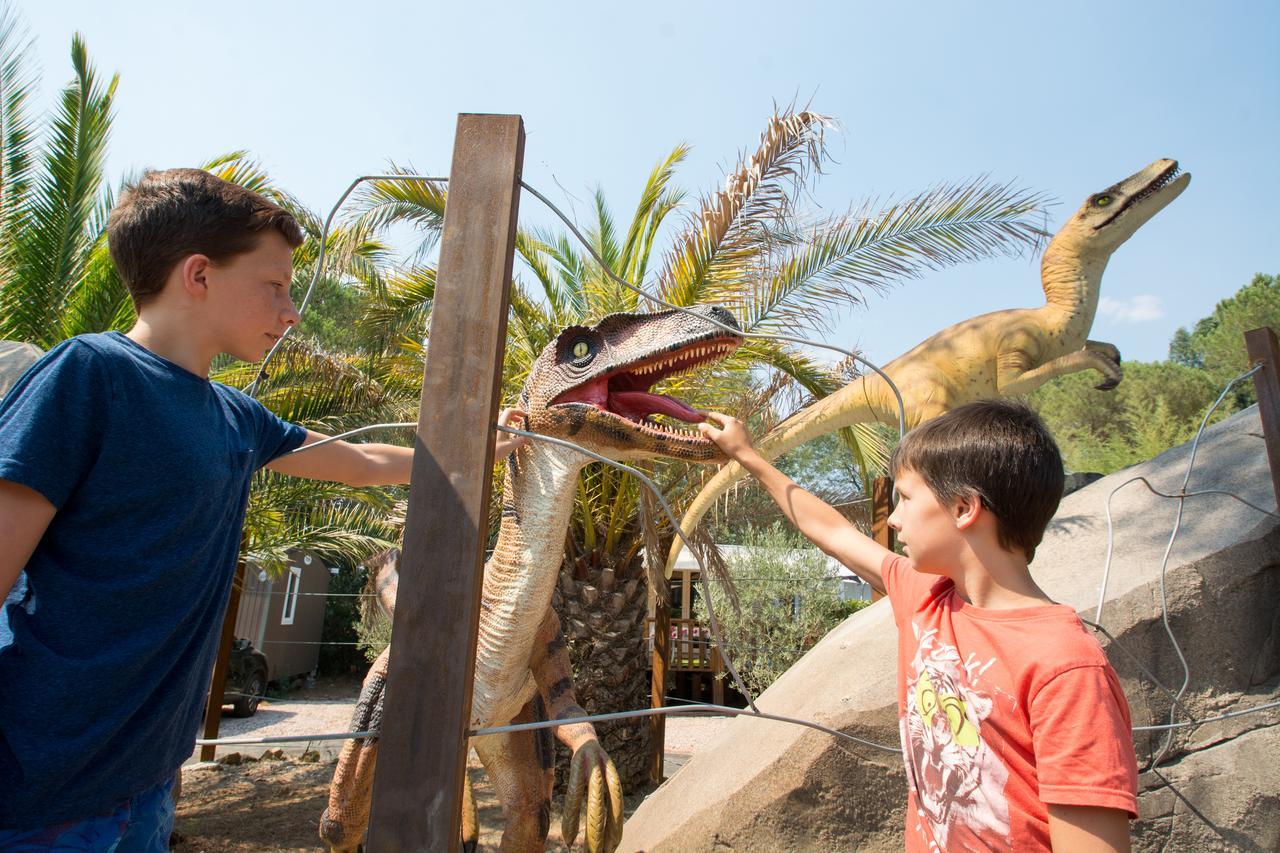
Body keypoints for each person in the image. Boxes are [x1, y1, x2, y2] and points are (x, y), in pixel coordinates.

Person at [0, 168, 526, 851]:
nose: (291, 309)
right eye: (273, 286)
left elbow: (361, 462)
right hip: (42, 793)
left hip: (146, 785)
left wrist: (486, 444)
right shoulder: (88, 374)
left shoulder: (236, 416)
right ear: (199, 276)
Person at [698, 400, 1138, 852]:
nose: (893, 518)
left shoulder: (1066, 667)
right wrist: (748, 457)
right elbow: (834, 533)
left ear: (964, 507)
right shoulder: (927, 598)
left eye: (905, 498)